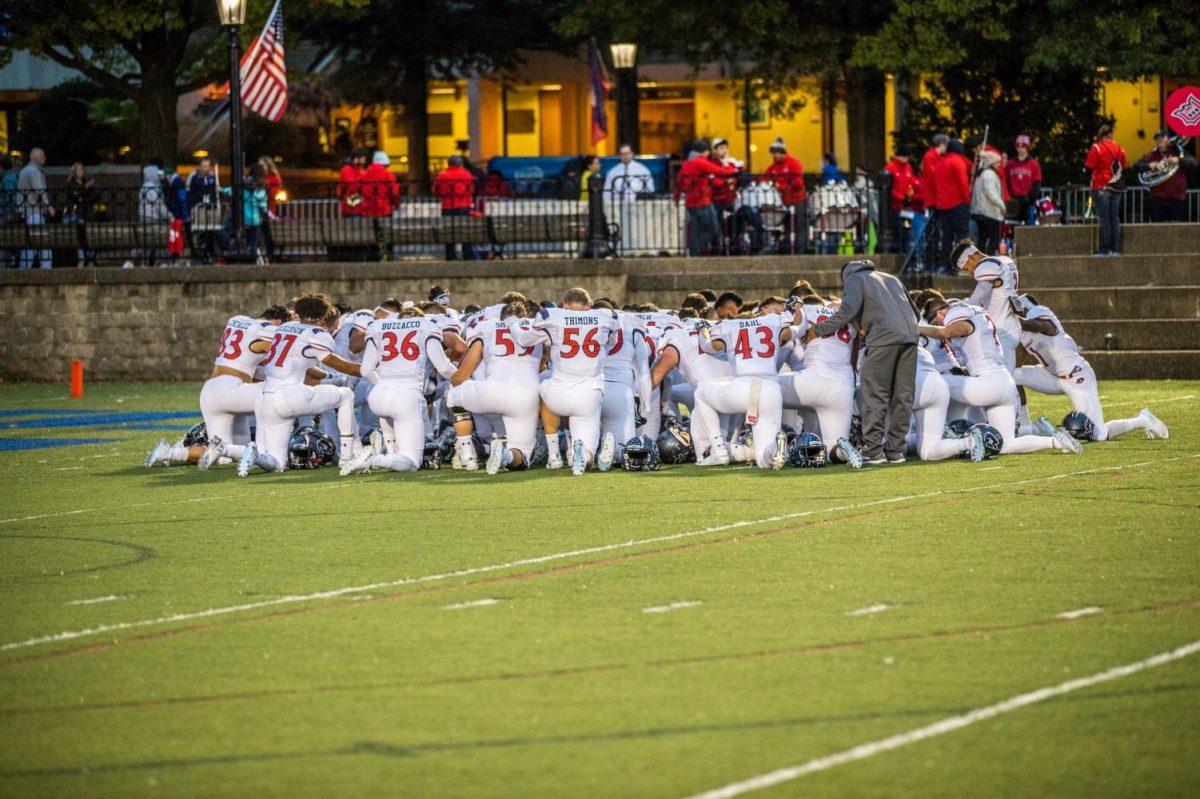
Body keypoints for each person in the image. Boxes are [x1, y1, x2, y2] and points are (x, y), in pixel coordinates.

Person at [919, 298, 1081, 456]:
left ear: (941, 311)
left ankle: (954, 439)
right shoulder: (974, 310)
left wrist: (916, 328)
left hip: (987, 383)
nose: (936, 325)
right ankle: (1056, 442)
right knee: (1006, 443)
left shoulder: (954, 313)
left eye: (935, 320)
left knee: (936, 383)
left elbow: (949, 332)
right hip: (1005, 383)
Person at [145, 306, 290, 468]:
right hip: (233, 390)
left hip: (211, 391)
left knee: (223, 454)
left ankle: (168, 452)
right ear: (277, 322)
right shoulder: (268, 329)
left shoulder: (236, 320)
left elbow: (251, 360)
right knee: (277, 396)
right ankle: (275, 454)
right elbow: (281, 357)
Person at [804, 259, 918, 465]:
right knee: (903, 395)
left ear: (845, 275)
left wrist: (817, 330)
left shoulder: (855, 279)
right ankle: (896, 451)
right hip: (910, 338)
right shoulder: (892, 278)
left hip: (883, 339)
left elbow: (846, 311)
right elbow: (916, 313)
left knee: (875, 394)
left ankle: (873, 451)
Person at [1011, 294, 1169, 442]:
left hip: (1077, 378)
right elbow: (1016, 362)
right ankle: (1025, 426)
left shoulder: (1042, 318)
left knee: (1099, 434)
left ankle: (1142, 420)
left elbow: (1037, 325)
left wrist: (1009, 320)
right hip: (1052, 377)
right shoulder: (1022, 333)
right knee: (1010, 373)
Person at [238, 293, 362, 476]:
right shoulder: (317, 334)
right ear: (323, 315)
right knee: (346, 395)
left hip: (265, 396)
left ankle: (256, 456)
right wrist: (369, 369)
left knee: (278, 463)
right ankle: (347, 456)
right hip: (290, 394)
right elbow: (340, 365)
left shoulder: (284, 327)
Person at [507, 287, 618, 475]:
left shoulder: (553, 316)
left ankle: (554, 452)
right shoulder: (606, 316)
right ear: (589, 305)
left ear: (565, 304)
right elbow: (611, 344)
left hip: (557, 394)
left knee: (541, 382)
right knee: (587, 452)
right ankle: (584, 455)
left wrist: (512, 323)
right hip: (589, 395)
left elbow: (523, 341)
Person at [340, 307, 459, 475]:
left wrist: (383, 384)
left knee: (394, 429)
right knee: (411, 462)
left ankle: (389, 452)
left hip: (378, 395)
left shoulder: (379, 326)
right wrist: (462, 379)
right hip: (406, 395)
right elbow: (443, 367)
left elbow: (366, 370)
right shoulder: (426, 325)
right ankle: (373, 459)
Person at [673, 140, 730, 257]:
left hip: (690, 202)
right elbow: (718, 171)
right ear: (704, 152)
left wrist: (676, 197)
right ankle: (697, 249)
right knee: (713, 229)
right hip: (703, 201)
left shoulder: (686, 164)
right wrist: (732, 171)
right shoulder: (700, 162)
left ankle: (693, 254)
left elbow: (679, 182)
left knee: (695, 230)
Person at [1083, 124, 1128, 256]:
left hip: (1101, 186)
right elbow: (1125, 166)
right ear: (1110, 135)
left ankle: (1104, 248)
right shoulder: (1120, 149)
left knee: (1104, 219)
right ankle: (1114, 249)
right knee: (1114, 218)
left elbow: (1088, 167)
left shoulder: (1097, 147)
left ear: (1100, 135)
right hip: (1117, 187)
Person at [603, 144, 655, 255]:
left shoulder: (642, 170)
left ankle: (637, 250)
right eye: (622, 154)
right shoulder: (613, 172)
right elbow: (607, 192)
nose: (625, 156)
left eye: (627, 154)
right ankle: (620, 251)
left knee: (636, 230)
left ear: (632, 154)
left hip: (637, 208)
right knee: (620, 230)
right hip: (618, 207)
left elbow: (649, 190)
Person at [932, 139, 971, 272]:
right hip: (957, 204)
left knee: (946, 238)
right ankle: (962, 265)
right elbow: (963, 184)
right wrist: (967, 201)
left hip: (943, 206)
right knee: (962, 236)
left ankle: (947, 266)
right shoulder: (957, 161)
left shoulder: (940, 162)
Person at [1138, 130, 1195, 223]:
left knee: (1176, 230)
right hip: (1157, 199)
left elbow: (1193, 163)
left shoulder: (1178, 152)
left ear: (1168, 139)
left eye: (1163, 137)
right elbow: (1136, 166)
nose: (1160, 140)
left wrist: (1179, 160)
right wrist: (1149, 165)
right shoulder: (1150, 155)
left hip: (1177, 198)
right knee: (1158, 230)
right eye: (1157, 138)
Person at [762, 138, 807, 254]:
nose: (774, 155)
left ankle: (800, 250)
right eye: (773, 153)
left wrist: (781, 186)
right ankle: (787, 250)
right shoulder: (772, 168)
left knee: (799, 225)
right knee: (787, 227)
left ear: (783, 152)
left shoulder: (793, 163)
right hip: (783, 202)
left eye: (777, 152)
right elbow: (764, 180)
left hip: (797, 200)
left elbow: (798, 183)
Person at [432, 155, 479, 261]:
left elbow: (435, 191)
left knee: (449, 232)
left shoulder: (442, 176)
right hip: (464, 206)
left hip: (447, 207)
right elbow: (471, 189)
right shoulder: (467, 174)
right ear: (460, 164)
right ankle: (467, 254)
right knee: (465, 231)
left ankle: (451, 256)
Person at [18, 147, 53, 269]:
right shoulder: (34, 171)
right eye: (42, 156)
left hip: (27, 211)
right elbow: (40, 191)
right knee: (42, 244)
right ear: (35, 157)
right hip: (34, 212)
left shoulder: (24, 170)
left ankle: (23, 269)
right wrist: (49, 207)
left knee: (31, 245)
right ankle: (46, 269)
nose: (44, 158)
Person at [362, 151, 399, 260]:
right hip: (384, 209)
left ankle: (373, 257)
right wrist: (396, 205)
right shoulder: (388, 175)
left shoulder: (365, 174)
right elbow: (395, 193)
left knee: (372, 235)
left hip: (368, 211)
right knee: (386, 235)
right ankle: (388, 256)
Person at [920, 134, 948, 268]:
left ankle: (934, 260)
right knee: (932, 232)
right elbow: (934, 177)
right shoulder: (930, 157)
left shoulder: (937, 157)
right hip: (932, 199)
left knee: (937, 232)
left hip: (937, 199)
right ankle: (929, 262)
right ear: (941, 144)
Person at [185, 157, 220, 264]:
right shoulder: (195, 178)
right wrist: (190, 209)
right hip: (199, 207)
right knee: (199, 230)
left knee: (211, 230)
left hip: (210, 207)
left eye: (207, 166)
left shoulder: (212, 178)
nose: (206, 169)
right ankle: (199, 253)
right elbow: (190, 195)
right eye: (204, 166)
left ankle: (209, 252)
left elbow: (215, 192)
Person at [970, 150, 1005, 255]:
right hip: (989, 212)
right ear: (992, 163)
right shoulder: (989, 174)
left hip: (981, 212)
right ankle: (989, 261)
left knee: (982, 240)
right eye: (997, 162)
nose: (999, 165)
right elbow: (991, 193)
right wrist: (1002, 205)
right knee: (994, 239)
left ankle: (981, 263)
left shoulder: (981, 174)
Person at [62, 162, 95, 267]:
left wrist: (82, 197)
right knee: (79, 236)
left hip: (87, 213)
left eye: (81, 169)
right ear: (74, 172)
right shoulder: (71, 183)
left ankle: (89, 258)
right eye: (78, 170)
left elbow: (93, 196)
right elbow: (75, 197)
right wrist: (84, 189)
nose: (80, 171)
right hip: (75, 214)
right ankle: (82, 259)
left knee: (89, 237)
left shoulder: (86, 181)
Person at [1007, 135, 1042, 225]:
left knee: (1028, 226)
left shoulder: (1034, 164)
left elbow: (1037, 182)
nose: (1020, 149)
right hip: (1013, 200)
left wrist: (1032, 196)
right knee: (1013, 225)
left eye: (1023, 146)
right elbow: (1006, 181)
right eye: (1018, 146)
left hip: (1027, 200)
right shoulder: (1010, 164)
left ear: (1027, 148)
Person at [258, 156, 284, 262]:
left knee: (268, 234)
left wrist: (266, 188)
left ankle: (270, 256)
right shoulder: (257, 176)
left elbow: (275, 192)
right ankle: (260, 256)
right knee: (258, 233)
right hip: (258, 209)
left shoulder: (273, 177)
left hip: (269, 208)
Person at [338, 149, 368, 217]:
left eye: (364, 156)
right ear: (355, 158)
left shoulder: (360, 170)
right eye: (361, 156)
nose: (364, 158)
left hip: (360, 207)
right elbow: (351, 187)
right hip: (351, 207)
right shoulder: (347, 169)